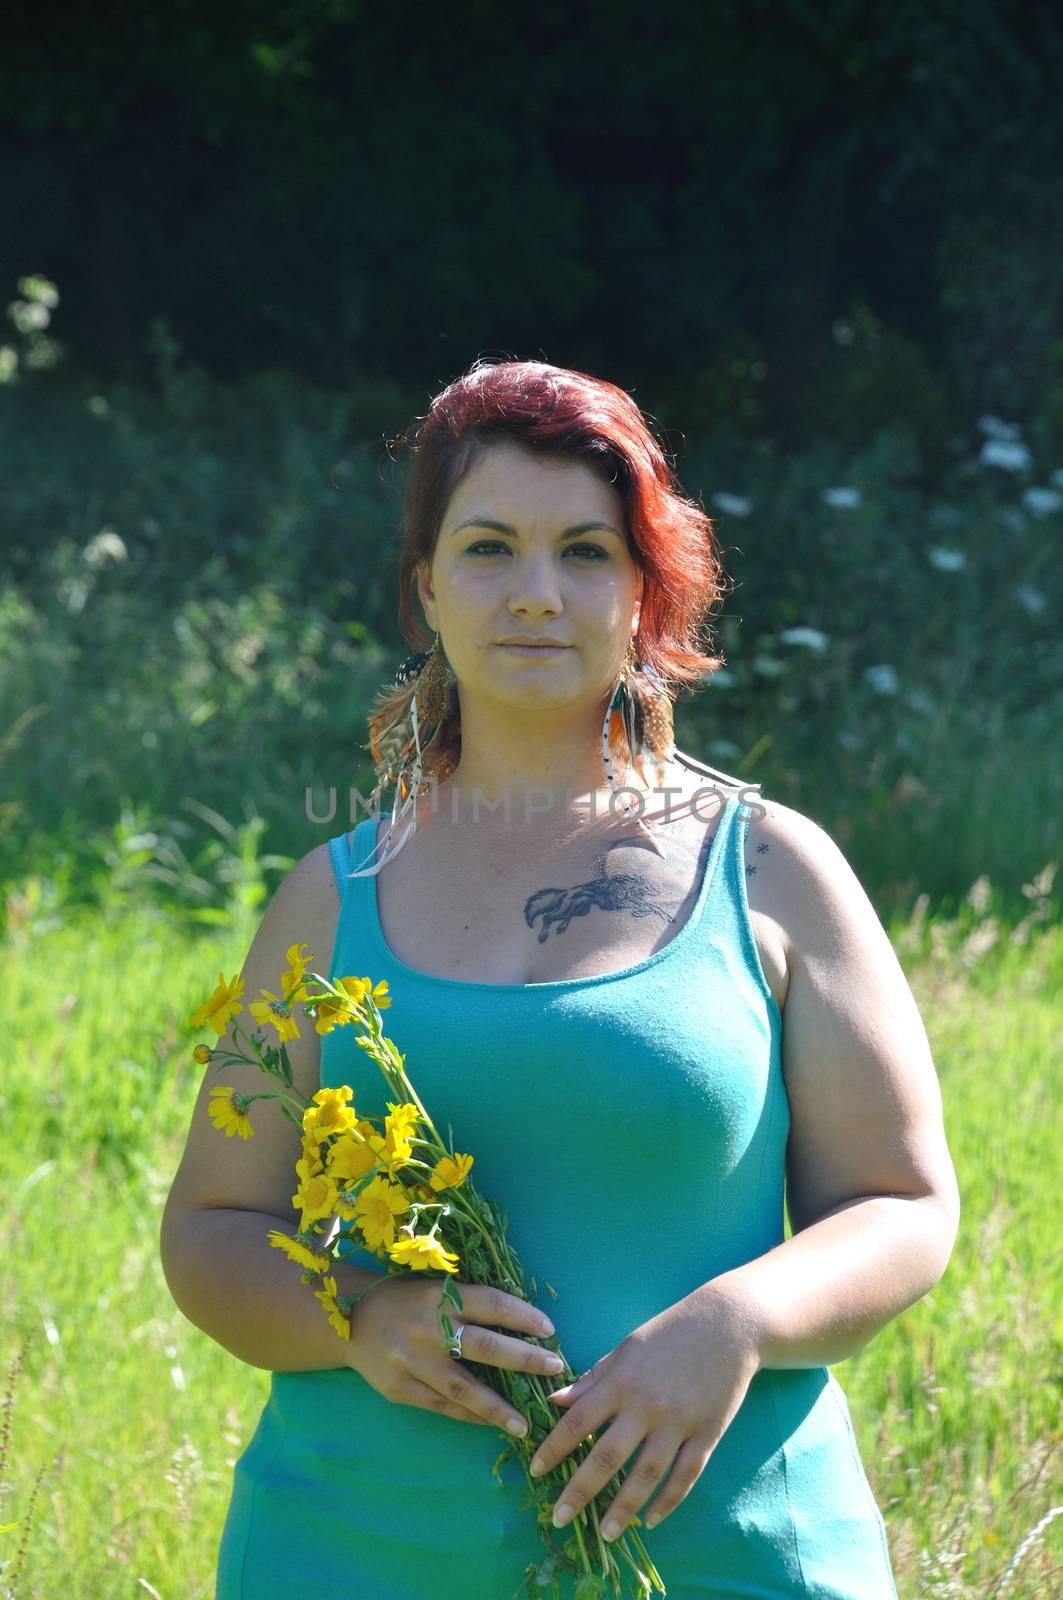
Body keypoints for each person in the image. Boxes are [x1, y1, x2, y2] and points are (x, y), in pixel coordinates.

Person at [160, 358, 961, 1600]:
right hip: (356, 1551)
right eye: (488, 548)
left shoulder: (773, 869)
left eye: (585, 551)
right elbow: (212, 1232)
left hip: (728, 1555)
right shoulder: (332, 895)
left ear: (644, 588)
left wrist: (732, 1324)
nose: (536, 593)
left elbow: (904, 1205)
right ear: (426, 587)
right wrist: (360, 1314)